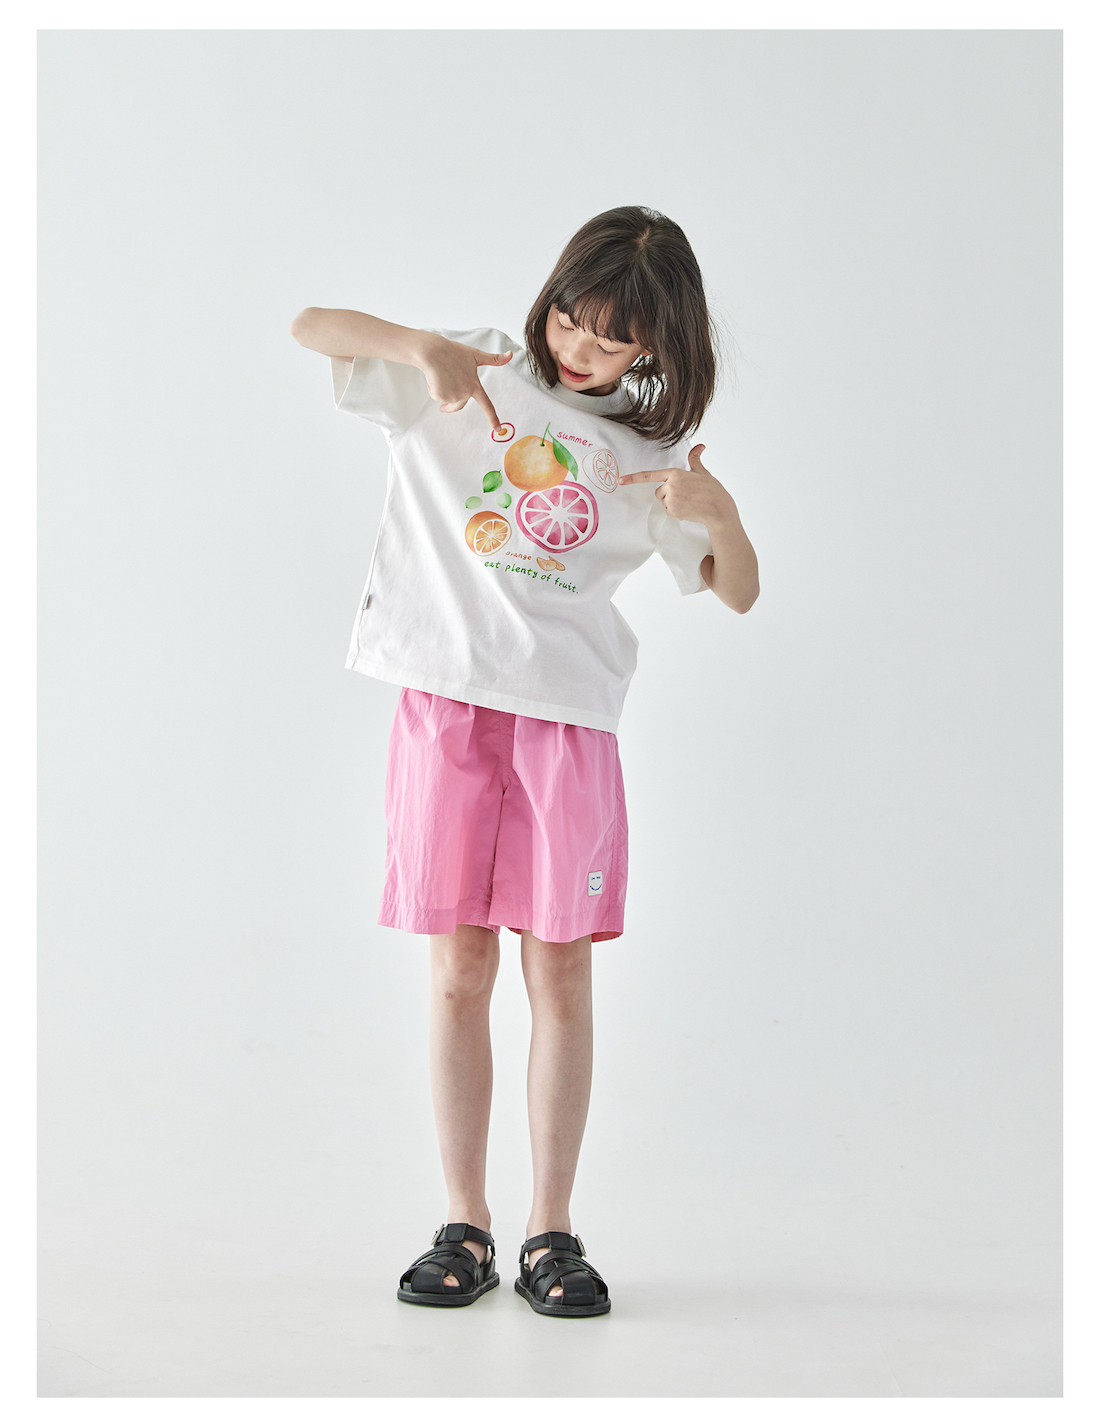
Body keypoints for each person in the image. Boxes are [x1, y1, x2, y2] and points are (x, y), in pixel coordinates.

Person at [291, 206, 759, 1318]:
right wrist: (419, 347)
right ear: (548, 297)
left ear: (655, 347)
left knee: (560, 975)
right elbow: (310, 324)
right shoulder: (472, 371)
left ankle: (552, 1226)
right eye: (570, 319)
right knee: (459, 970)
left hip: (565, 730)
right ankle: (465, 1218)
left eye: (612, 338)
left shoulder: (647, 459)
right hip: (448, 713)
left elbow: (736, 591)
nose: (579, 349)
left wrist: (723, 514)